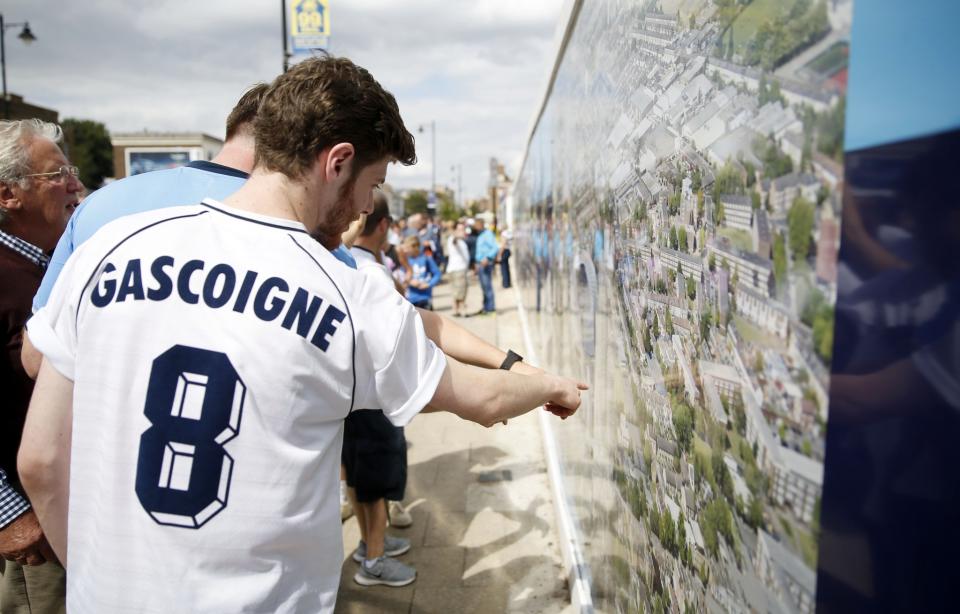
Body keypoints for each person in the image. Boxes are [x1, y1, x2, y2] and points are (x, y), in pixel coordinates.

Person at [18, 55, 584, 613]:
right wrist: (551, 386)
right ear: (337, 162)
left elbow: (40, 462)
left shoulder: (110, 247)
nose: (366, 206)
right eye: (373, 183)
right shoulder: (346, 291)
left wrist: (92, 579)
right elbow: (482, 399)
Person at [0, 118, 81, 614]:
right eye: (58, 175)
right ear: (8, 195)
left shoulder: (54, 265)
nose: (75, 184)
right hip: (35, 535)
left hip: (70, 517)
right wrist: (8, 514)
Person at [345, 194, 416, 585]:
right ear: (385, 225)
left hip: (352, 394)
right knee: (374, 479)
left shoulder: (345, 261)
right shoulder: (371, 272)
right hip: (373, 396)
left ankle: (369, 544)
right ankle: (373, 559)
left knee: (359, 475)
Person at [401, 235, 441, 309]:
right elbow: (401, 275)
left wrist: (429, 284)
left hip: (425, 297)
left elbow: (437, 274)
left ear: (415, 247)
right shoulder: (405, 261)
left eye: (407, 248)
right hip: (410, 298)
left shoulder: (426, 258)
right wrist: (409, 281)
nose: (405, 251)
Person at [473, 217, 500, 314]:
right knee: (483, 286)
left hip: (486, 264)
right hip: (480, 264)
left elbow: (495, 247)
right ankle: (485, 307)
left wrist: (488, 258)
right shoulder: (480, 235)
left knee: (487, 286)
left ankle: (490, 308)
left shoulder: (487, 234)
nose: (475, 227)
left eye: (476, 224)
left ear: (481, 224)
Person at [446, 221, 470, 316]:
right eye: (459, 229)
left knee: (457, 291)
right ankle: (463, 310)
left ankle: (456, 310)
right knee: (461, 291)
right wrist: (457, 235)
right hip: (458, 269)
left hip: (457, 269)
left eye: (463, 229)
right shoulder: (453, 239)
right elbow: (454, 240)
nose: (462, 231)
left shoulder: (461, 241)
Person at [498, 224, 513, 289]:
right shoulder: (508, 233)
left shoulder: (504, 233)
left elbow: (503, 244)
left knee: (503, 268)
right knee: (506, 268)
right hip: (508, 250)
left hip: (504, 251)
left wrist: (499, 254)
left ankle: (505, 284)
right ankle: (508, 283)